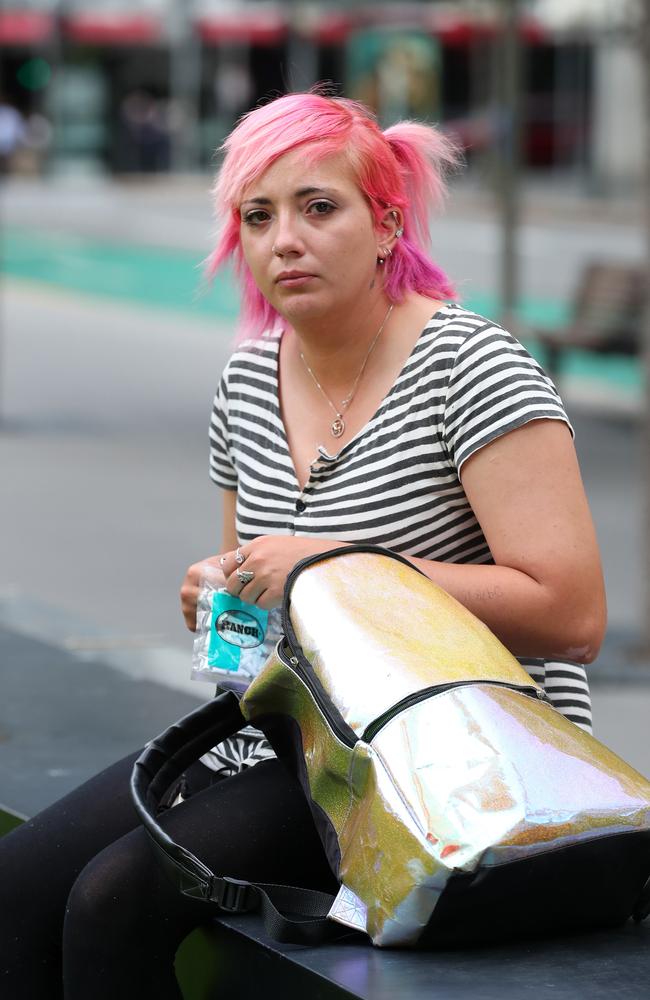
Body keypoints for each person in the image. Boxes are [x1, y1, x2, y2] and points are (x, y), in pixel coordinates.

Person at [0, 91, 606, 998]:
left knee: (113, 901)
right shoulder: (248, 378)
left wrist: (334, 570)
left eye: (319, 207)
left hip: (457, 763)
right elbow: (252, 643)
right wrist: (222, 601)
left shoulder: (472, 368)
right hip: (298, 739)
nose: (285, 238)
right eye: (258, 215)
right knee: (18, 886)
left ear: (386, 223)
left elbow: (571, 614)